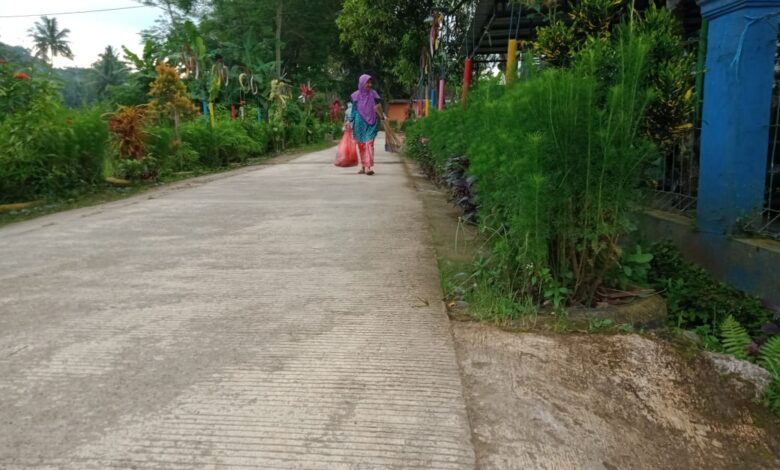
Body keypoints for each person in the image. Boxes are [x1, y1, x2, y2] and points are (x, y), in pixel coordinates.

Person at [347, 74, 385, 175]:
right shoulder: (356, 95)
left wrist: (382, 115)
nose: (369, 84)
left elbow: (379, 106)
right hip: (359, 123)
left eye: (370, 82)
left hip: (372, 121)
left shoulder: (374, 94)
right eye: (367, 82)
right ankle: (363, 166)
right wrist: (349, 120)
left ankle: (368, 167)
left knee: (369, 143)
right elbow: (354, 110)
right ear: (362, 83)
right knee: (361, 145)